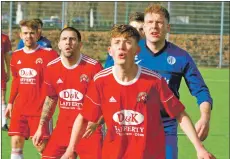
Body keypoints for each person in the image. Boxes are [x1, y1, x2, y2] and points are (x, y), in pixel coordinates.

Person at [61, 24, 215, 159]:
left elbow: (180, 114)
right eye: (116, 43)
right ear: (110, 50)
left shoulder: (154, 81)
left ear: (137, 50)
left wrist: (199, 148)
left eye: (128, 42)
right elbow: (83, 117)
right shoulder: (100, 81)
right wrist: (70, 149)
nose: (121, 47)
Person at [104, 4, 213, 159]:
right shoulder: (128, 50)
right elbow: (107, 81)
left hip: (165, 126)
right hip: (131, 124)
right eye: (149, 22)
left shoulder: (181, 57)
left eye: (159, 22)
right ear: (144, 26)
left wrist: (204, 117)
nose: (154, 26)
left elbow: (200, 90)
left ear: (168, 27)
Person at [32, 27, 103, 159]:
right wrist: (41, 127)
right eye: (64, 39)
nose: (68, 42)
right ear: (59, 44)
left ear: (80, 44)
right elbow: (51, 99)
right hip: (63, 129)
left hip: (89, 131)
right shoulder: (52, 67)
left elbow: (103, 103)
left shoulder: (94, 67)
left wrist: (97, 123)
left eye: (72, 39)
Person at [5, 19, 58, 159]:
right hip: (20, 108)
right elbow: (16, 80)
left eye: (32, 33)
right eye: (25, 33)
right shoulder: (16, 56)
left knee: (43, 147)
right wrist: (10, 103)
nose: (28, 36)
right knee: (16, 143)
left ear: (37, 34)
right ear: (20, 35)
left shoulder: (49, 55)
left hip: (40, 110)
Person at [1, 33, 12, 131]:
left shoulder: (4, 38)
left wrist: (8, 71)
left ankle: (4, 123)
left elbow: (7, 57)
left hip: (1, 73)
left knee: (2, 98)